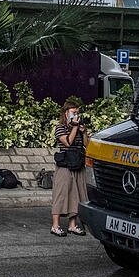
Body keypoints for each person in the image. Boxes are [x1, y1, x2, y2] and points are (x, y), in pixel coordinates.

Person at [51, 100, 88, 237]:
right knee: (61, 193)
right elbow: (67, 142)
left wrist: (83, 132)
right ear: (66, 113)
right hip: (65, 164)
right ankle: (55, 226)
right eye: (73, 112)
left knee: (76, 194)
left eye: (77, 112)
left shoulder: (79, 128)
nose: (76, 115)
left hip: (78, 163)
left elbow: (87, 146)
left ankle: (72, 225)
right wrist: (74, 127)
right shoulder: (60, 127)